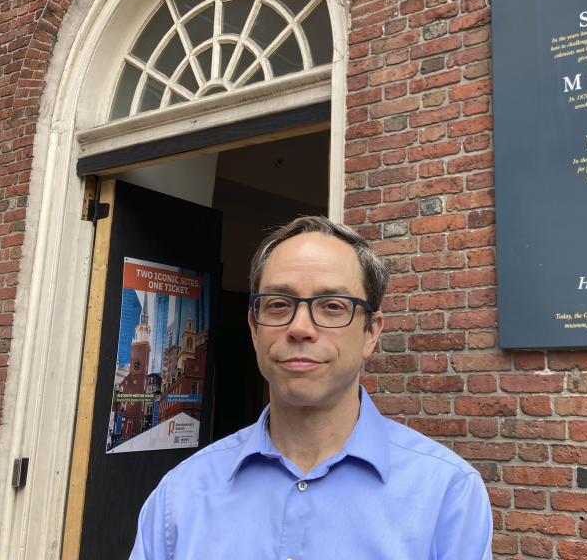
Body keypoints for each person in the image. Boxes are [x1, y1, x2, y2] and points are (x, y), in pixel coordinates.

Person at [129, 216, 493, 559]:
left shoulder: (447, 494)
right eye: (277, 304)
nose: (300, 327)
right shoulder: (179, 497)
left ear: (371, 332)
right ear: (255, 331)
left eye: (333, 306)